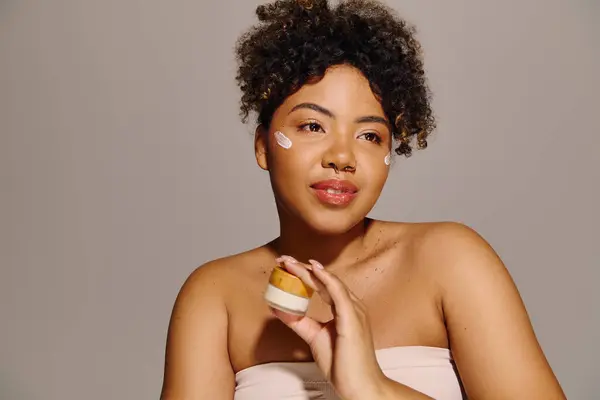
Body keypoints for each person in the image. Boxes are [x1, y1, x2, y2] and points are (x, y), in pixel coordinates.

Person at [160, 0, 566, 399]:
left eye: (369, 136)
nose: (342, 157)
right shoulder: (215, 297)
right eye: (313, 125)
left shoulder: (450, 262)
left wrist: (372, 387)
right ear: (263, 146)